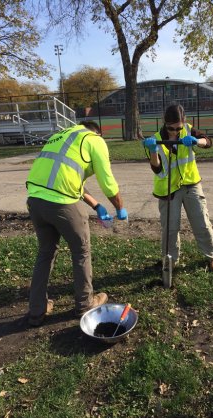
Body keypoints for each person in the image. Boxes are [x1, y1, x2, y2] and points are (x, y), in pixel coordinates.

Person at [26, 120, 128, 326]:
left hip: (35, 201)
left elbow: (70, 180)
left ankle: (36, 311)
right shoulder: (94, 140)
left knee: (46, 253)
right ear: (98, 133)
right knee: (81, 251)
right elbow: (108, 182)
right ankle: (84, 304)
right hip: (62, 203)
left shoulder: (61, 136)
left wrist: (96, 205)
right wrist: (119, 208)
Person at [143, 104, 213, 275]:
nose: (174, 132)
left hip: (191, 184)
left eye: (178, 128)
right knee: (170, 229)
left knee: (202, 223)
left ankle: (212, 255)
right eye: (170, 128)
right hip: (168, 191)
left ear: (184, 122)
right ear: (165, 123)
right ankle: (169, 260)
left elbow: (208, 142)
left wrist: (196, 141)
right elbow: (157, 169)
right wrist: (153, 151)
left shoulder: (188, 129)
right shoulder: (155, 138)